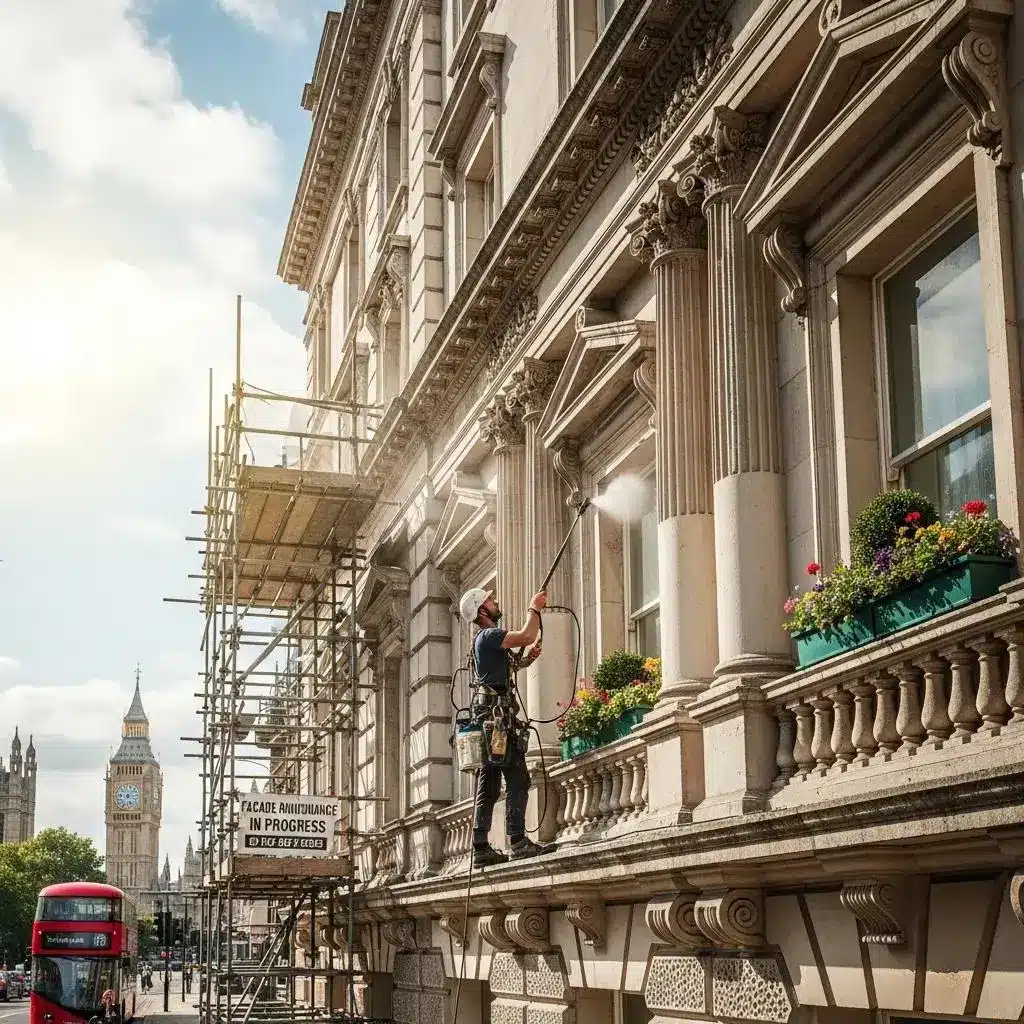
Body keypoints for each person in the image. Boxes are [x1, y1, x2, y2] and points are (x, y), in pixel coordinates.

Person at [459, 586, 554, 867]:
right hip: (497, 721)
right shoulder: (488, 635)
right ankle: (517, 841)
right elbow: (526, 635)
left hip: (488, 718)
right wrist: (534, 608)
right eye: (490, 599)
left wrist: (527, 659)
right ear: (482, 609)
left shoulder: (482, 642)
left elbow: (505, 668)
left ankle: (480, 846)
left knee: (488, 782)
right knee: (517, 777)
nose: (495, 601)